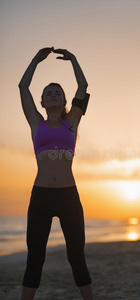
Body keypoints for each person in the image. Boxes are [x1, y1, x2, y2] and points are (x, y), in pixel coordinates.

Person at [18, 47, 95, 300]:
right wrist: (35, 61)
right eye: (48, 93)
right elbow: (23, 87)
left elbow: (82, 85)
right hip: (40, 196)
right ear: (42, 101)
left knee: (76, 256)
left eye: (57, 93)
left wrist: (73, 59)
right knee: (35, 257)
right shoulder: (35, 122)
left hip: (68, 197)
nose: (53, 95)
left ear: (63, 100)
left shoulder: (72, 120)